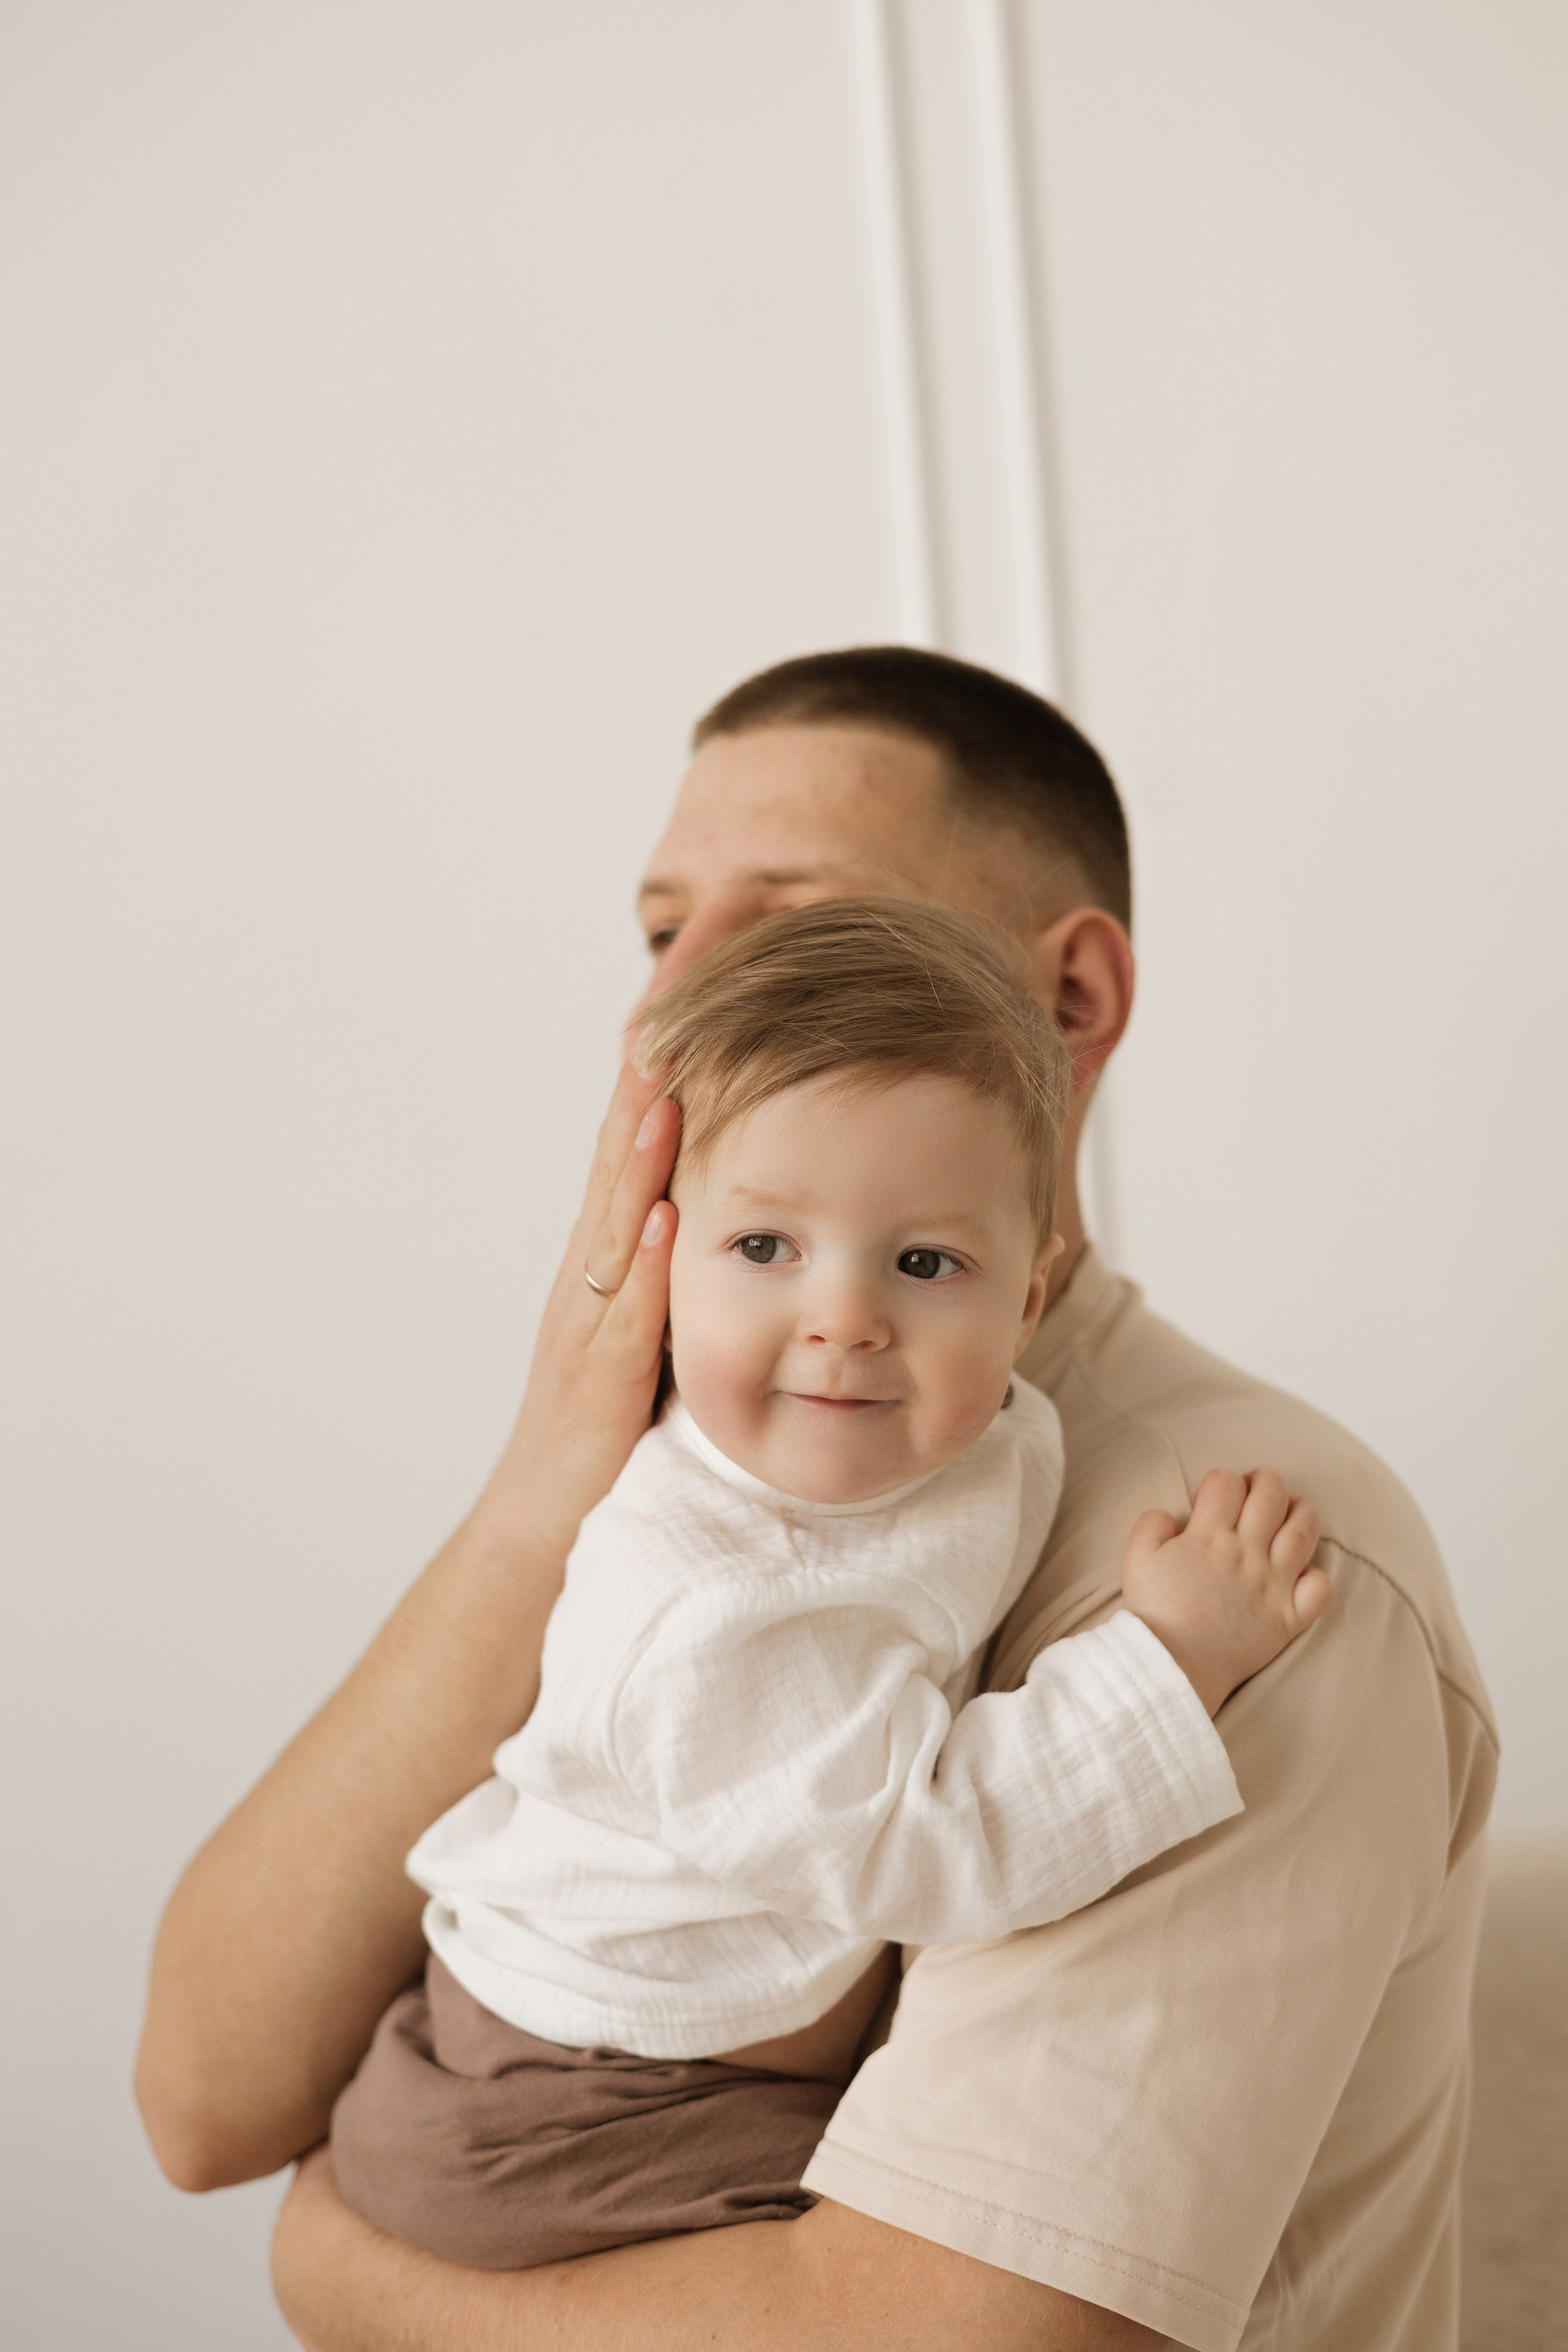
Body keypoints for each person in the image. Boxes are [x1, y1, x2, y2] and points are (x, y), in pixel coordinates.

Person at [136, 648, 1497, 2351]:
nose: (665, 1012)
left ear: (1066, 1004)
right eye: (659, 929)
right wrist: (538, 1492)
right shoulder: (686, 1474)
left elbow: (946, 2341)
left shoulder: (1244, 1560)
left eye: (791, 921)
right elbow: (200, 2097)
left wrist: (329, 2264)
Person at [326, 897, 1327, 2272]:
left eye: (924, 1263)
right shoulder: (704, 1602)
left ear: (1025, 1304)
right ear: (663, 1270)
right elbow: (922, 1843)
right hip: (583, 2096)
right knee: (916, 2266)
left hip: (669, 2056)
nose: (844, 1316)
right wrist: (1168, 1659)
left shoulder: (990, 1435)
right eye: (763, 1250)